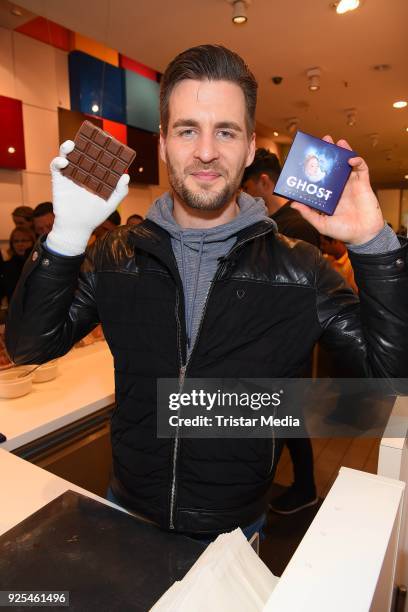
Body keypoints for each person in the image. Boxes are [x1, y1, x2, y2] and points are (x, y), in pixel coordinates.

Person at [6, 45, 408, 541]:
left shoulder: (300, 269)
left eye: (226, 131)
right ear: (162, 143)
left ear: (247, 146)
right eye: (187, 129)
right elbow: (29, 346)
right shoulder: (116, 254)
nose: (205, 151)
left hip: (234, 530)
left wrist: (373, 243)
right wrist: (66, 235)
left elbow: (393, 387)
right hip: (127, 509)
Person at [243, 149, 319, 514]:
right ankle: (302, 487)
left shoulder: (295, 226)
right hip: (272, 342)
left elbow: (298, 290)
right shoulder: (272, 223)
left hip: (288, 342)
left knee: (287, 419)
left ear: (264, 181)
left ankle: (305, 488)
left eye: (248, 187)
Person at [2, 227, 36, 302]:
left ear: (33, 242)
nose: (20, 244)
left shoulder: (37, 265)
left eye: (24, 241)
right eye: (16, 241)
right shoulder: (6, 266)